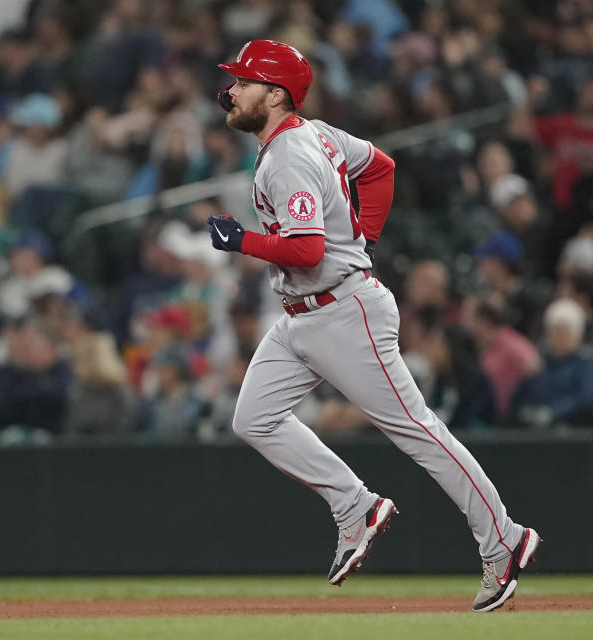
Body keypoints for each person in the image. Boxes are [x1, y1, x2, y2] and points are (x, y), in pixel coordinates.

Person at [208, 40, 539, 612]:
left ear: (277, 92)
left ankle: (504, 539)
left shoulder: (290, 155)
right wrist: (367, 236)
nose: (231, 90)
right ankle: (354, 506)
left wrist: (243, 241)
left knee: (419, 432)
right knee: (254, 418)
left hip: (341, 311)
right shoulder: (320, 135)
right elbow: (380, 166)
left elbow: (308, 250)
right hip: (303, 316)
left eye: (243, 80)